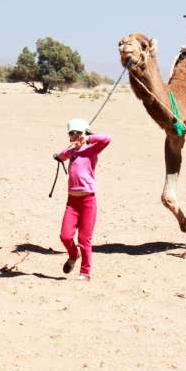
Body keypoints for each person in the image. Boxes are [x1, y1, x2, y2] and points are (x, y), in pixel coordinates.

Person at [54, 118, 111, 281]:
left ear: (85, 133)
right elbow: (61, 156)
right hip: (72, 202)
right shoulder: (70, 151)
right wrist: (58, 156)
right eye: (71, 133)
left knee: (84, 239)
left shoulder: (92, 149)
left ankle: (85, 273)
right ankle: (73, 255)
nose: (75, 136)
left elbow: (107, 138)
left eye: (78, 133)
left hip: (88, 201)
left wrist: (88, 138)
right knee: (65, 236)